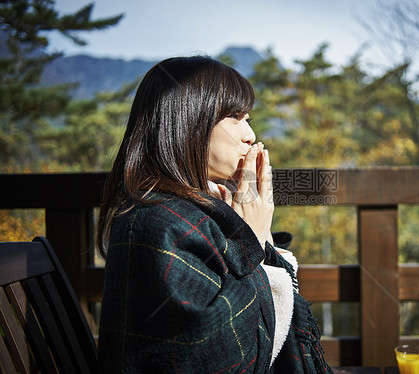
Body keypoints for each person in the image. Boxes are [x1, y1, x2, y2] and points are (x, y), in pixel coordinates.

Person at [96, 56, 333, 373]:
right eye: (235, 117)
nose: (249, 135)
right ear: (188, 119)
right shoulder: (156, 222)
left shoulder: (192, 207)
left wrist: (250, 237)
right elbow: (221, 361)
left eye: (248, 118)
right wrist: (253, 239)